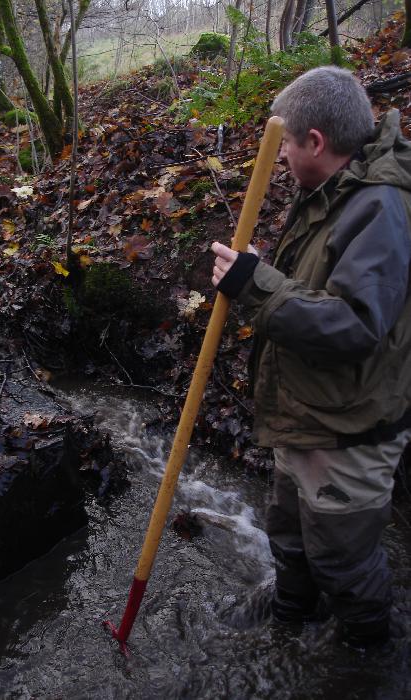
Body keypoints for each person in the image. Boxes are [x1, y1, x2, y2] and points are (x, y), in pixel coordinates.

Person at [211, 66, 411, 650]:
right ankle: (291, 611)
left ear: (315, 143)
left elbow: (355, 323)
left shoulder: (381, 209)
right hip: (308, 410)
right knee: (290, 532)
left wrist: (256, 285)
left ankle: (366, 655)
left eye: (287, 146)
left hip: (352, 426)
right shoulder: (331, 187)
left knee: (344, 563)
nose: (283, 161)